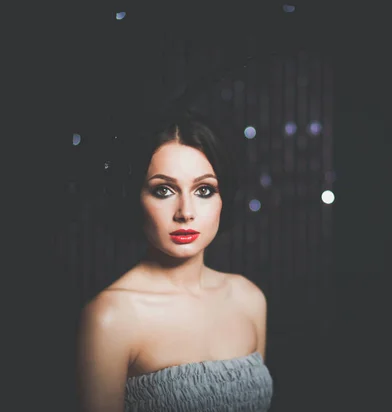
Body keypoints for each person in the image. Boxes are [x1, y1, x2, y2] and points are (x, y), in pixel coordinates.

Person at [76, 107, 273, 412]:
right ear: (136, 198)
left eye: (204, 190)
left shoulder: (249, 299)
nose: (186, 212)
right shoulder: (110, 316)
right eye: (164, 190)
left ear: (223, 199)